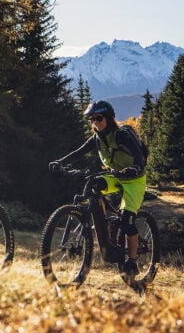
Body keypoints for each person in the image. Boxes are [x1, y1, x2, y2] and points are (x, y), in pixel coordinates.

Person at [50, 100, 147, 278]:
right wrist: (60, 162)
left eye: (99, 118)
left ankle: (132, 261)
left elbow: (140, 158)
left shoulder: (121, 135)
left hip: (134, 179)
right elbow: (78, 152)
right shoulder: (97, 138)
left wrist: (135, 168)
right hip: (115, 176)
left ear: (108, 118)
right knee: (94, 185)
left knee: (128, 221)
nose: (95, 122)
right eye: (92, 119)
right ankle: (104, 225)